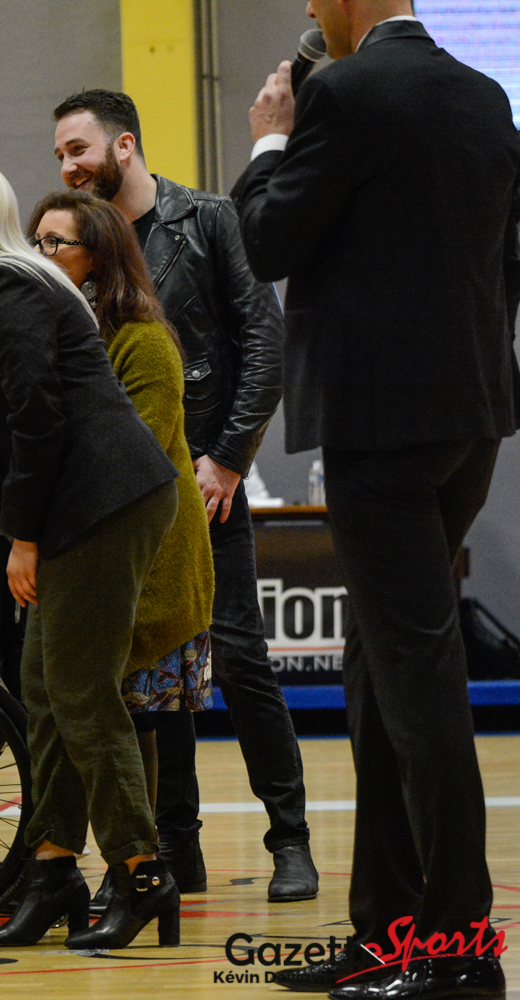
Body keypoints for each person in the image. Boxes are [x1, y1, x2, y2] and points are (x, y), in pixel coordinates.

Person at [233, 3, 520, 994]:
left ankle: (460, 946)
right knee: (377, 670)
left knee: (417, 682)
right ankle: (390, 928)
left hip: (381, 428)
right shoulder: (484, 96)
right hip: (470, 421)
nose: (311, 9)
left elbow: (265, 241)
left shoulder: (343, 93)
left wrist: (269, 139)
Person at [0, 158, 180, 951]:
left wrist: (23, 537)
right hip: (84, 503)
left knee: (80, 692)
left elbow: (38, 421)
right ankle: (53, 873)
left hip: (104, 502)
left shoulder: (8, 289)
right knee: (45, 689)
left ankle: (141, 871)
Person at [51, 89, 312, 903]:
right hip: (125, 499)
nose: (67, 167)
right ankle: (177, 849)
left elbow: (265, 342)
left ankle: (291, 840)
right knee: (150, 673)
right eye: (60, 155)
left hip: (207, 490)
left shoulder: (209, 219)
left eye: (78, 150)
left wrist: (227, 460)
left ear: (124, 145)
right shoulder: (82, 244)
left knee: (238, 659)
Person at [25, 190, 216, 910]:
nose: (41, 255)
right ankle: (82, 868)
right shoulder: (60, 331)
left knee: (121, 707)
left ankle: (133, 871)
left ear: (100, 258)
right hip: (87, 543)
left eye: (56, 244)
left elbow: (131, 459)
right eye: (36, 241)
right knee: (83, 702)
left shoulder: (143, 340)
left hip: (150, 555)